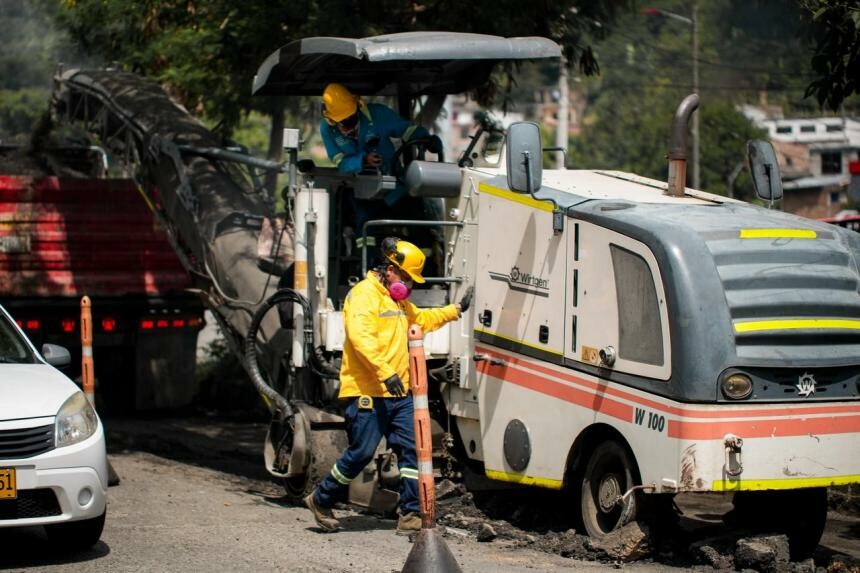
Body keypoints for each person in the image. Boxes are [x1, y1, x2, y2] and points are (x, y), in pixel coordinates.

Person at [304, 237, 474, 534]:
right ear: (390, 269)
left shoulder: (397, 301)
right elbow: (361, 338)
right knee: (361, 452)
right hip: (368, 390)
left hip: (399, 392)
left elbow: (422, 319)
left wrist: (455, 309)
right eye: (406, 277)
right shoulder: (363, 295)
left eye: (412, 280)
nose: (408, 285)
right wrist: (385, 372)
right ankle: (321, 498)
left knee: (412, 451)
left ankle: (410, 516)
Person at [320, 83, 443, 260]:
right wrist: (363, 160)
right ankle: (366, 268)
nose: (351, 123)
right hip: (361, 191)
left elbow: (407, 130)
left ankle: (427, 269)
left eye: (353, 118)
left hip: (394, 185)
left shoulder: (377, 114)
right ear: (332, 120)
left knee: (417, 220)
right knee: (365, 227)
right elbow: (341, 163)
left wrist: (426, 139)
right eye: (345, 121)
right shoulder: (327, 130)